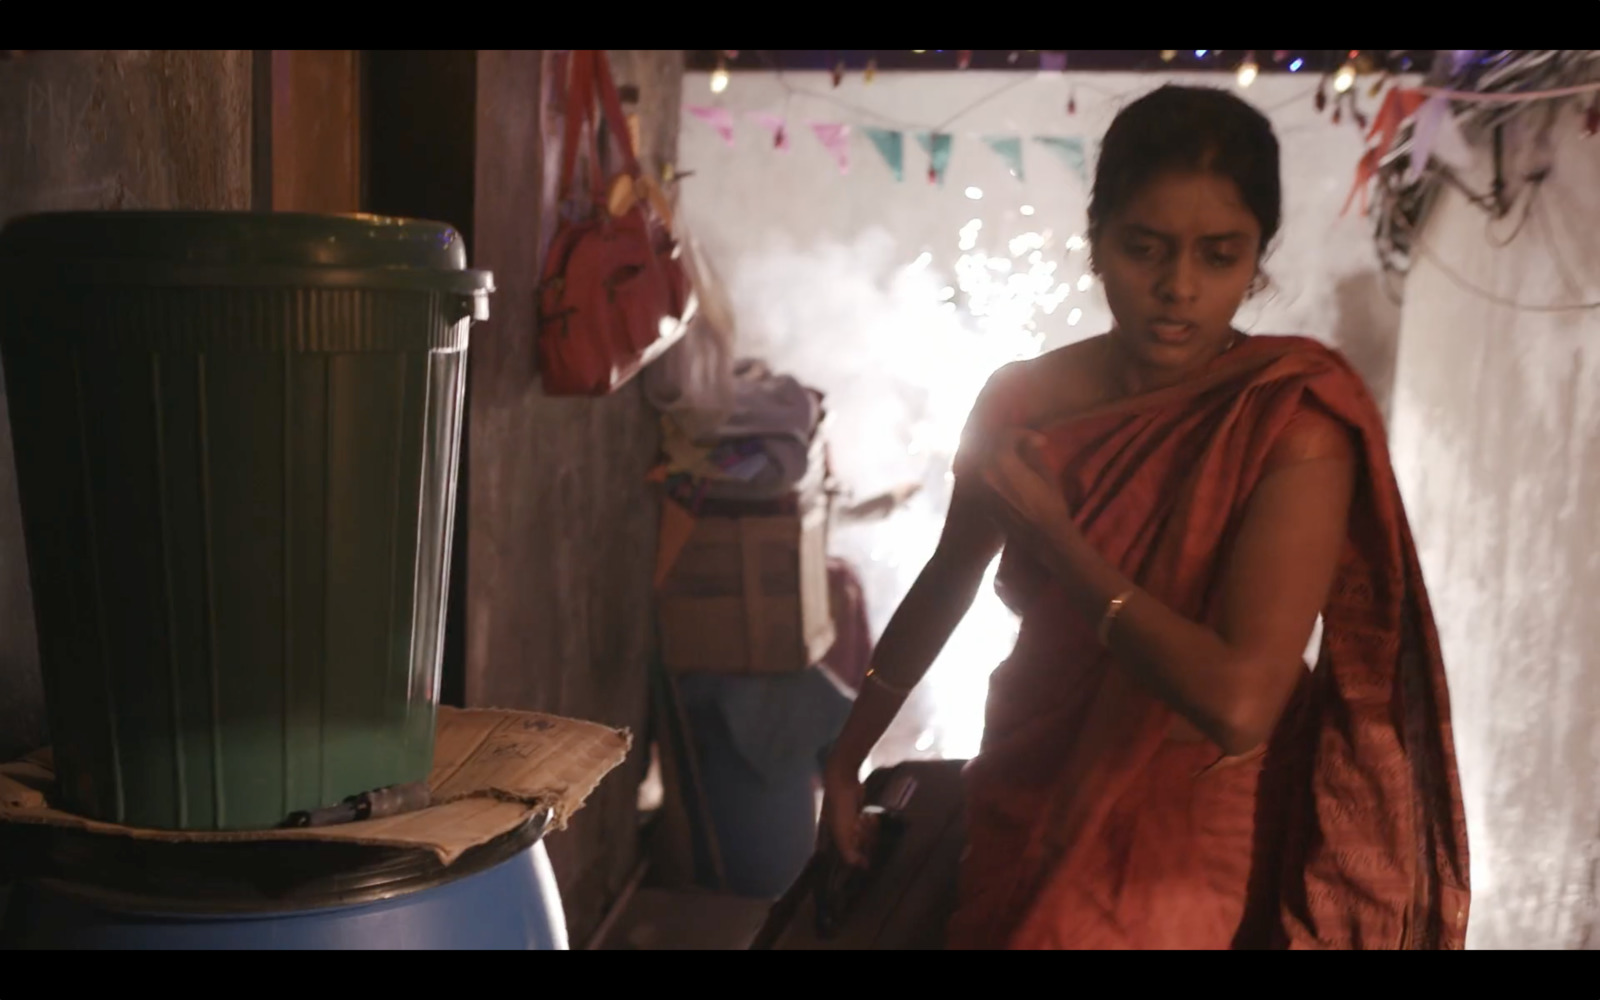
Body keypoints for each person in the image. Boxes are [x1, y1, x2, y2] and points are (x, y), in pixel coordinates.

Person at [819, 84, 1470, 950]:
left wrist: (1058, 537)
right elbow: (949, 580)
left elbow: (1238, 706)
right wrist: (845, 751)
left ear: (1258, 259)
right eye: (1145, 248)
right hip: (1031, 769)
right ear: (1096, 244)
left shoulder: (1292, 424)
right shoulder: (1021, 400)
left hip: (1185, 823)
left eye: (1219, 255)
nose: (1178, 288)